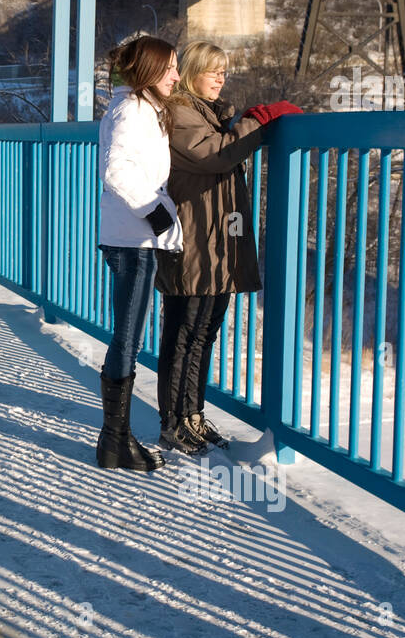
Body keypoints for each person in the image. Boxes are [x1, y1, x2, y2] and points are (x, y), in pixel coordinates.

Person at [155, 40, 301, 453]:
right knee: (184, 332)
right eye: (213, 70)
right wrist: (257, 120)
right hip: (194, 243)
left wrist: (247, 121)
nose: (221, 78)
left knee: (204, 332)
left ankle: (193, 415)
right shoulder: (181, 112)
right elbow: (216, 155)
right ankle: (174, 422)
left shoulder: (208, 114)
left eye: (224, 71)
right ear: (191, 73)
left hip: (216, 242)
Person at [95, 36, 184, 472]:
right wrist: (155, 214)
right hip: (133, 239)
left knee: (127, 335)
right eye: (169, 67)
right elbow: (115, 170)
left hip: (131, 235)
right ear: (149, 69)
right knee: (127, 337)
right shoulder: (131, 109)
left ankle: (116, 437)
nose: (176, 75)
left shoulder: (139, 106)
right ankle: (113, 441)